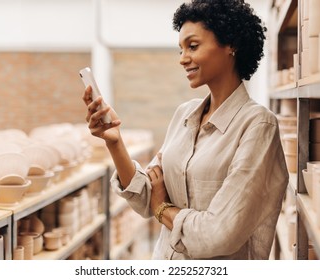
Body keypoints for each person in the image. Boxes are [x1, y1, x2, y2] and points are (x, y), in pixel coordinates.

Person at [82, 0, 288, 260]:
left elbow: (218, 234)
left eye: (192, 46)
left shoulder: (258, 126)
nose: (182, 59)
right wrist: (114, 141)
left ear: (231, 45)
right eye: (180, 49)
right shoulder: (185, 115)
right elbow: (147, 195)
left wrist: (163, 208)